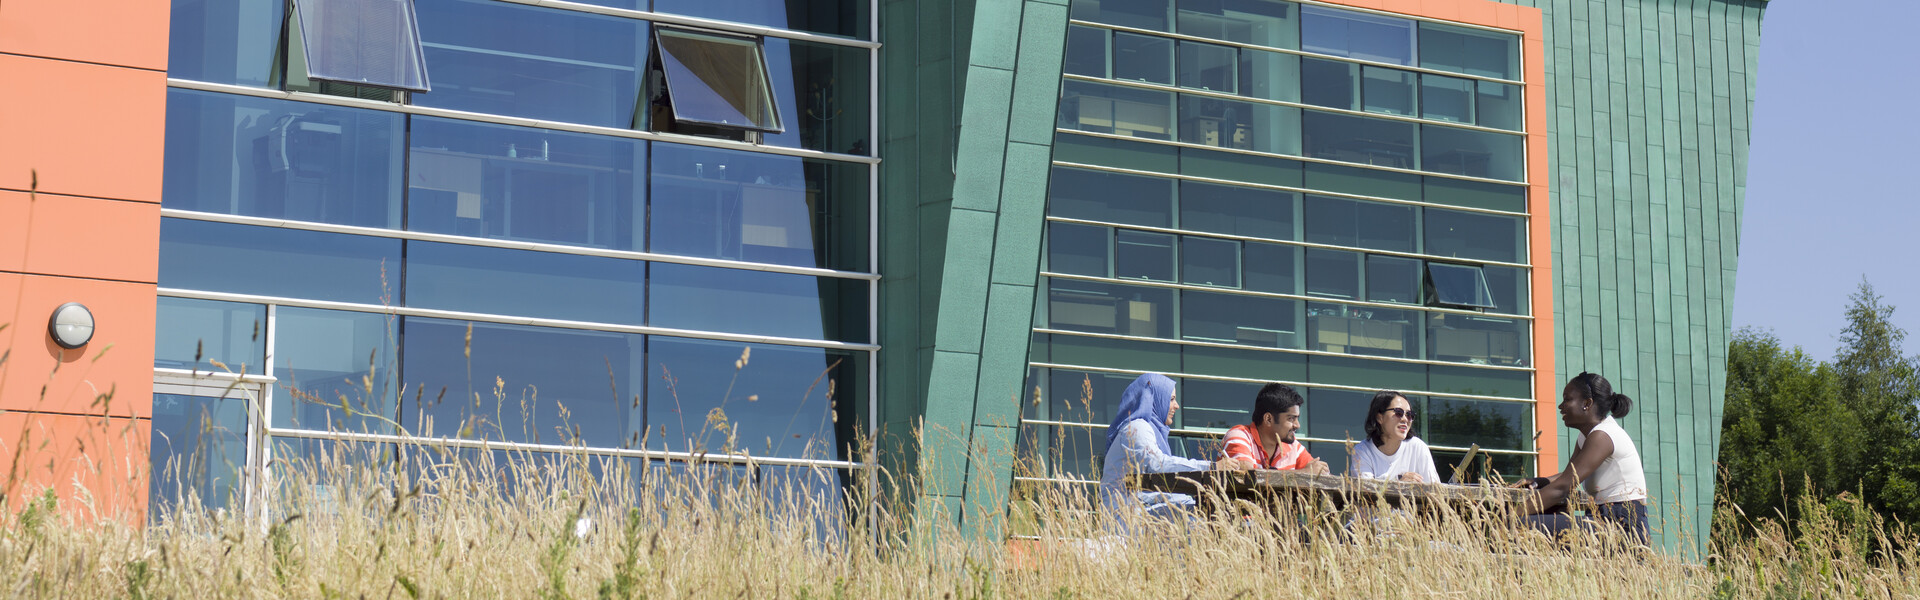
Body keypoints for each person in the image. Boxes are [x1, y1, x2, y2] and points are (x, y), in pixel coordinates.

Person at [1511, 372, 1649, 543]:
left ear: (1587, 403)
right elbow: (1568, 475)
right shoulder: (1587, 436)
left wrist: (1510, 514)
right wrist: (1540, 481)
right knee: (1535, 521)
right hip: (1602, 519)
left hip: (1622, 526)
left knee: (1517, 524)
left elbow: (1562, 488)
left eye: (1567, 399)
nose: (1561, 406)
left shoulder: (1603, 436)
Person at [1099, 373, 1239, 519]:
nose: (1176, 406)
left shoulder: (1151, 430)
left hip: (1140, 511)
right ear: (1154, 399)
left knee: (1205, 510)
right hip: (1128, 519)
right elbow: (1157, 465)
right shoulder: (1137, 428)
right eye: (1171, 399)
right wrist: (1211, 467)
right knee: (1203, 516)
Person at [1220, 383, 1330, 474]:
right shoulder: (1239, 435)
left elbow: (1317, 473)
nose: (1297, 425)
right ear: (1268, 419)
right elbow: (1248, 476)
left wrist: (1319, 471)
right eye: (1291, 418)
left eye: (1297, 418)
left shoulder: (1293, 446)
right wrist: (1305, 473)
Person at [1349, 391, 1439, 483]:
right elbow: (1366, 493)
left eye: (1409, 415)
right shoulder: (1363, 451)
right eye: (1398, 412)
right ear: (1380, 417)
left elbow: (1436, 491)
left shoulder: (1418, 447)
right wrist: (1398, 483)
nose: (1405, 419)